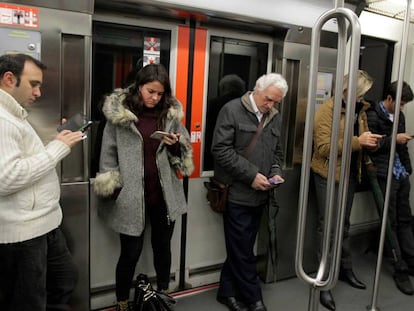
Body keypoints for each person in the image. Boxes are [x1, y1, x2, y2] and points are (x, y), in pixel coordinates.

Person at [93, 63, 194, 311]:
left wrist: (174, 145)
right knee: (130, 253)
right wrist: (114, 189)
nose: (155, 98)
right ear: (139, 86)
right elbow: (108, 154)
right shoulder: (120, 116)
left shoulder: (169, 116)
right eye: (150, 91)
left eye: (160, 93)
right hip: (130, 197)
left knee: (163, 248)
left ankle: (163, 293)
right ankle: (122, 302)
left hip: (163, 196)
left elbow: (184, 154)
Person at [0, 54, 84, 310]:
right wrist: (57, 149)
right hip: (23, 234)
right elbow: (6, 178)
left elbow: (26, 159)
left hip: (43, 225)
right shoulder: (2, 120)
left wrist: (54, 142)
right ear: (9, 79)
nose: (38, 92)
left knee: (64, 280)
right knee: (30, 300)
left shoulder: (15, 116)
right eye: (33, 84)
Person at [211, 73, 288, 311]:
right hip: (236, 192)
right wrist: (252, 175)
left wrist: (274, 172)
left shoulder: (273, 117)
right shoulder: (231, 110)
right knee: (243, 249)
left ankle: (227, 291)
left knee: (241, 245)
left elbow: (277, 152)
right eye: (268, 99)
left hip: (262, 194)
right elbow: (220, 150)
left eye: (275, 102)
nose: (270, 106)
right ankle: (254, 299)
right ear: (256, 90)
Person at [311, 69, 382, 311]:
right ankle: (323, 282)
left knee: (344, 226)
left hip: (351, 173)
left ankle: (344, 268)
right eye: (360, 94)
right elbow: (323, 148)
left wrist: (370, 143)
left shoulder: (359, 111)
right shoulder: (326, 111)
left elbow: (358, 140)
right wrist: (357, 142)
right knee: (328, 227)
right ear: (348, 91)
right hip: (328, 175)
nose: (363, 99)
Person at [366, 81, 414, 295]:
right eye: (400, 103)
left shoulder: (400, 117)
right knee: (390, 221)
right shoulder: (372, 115)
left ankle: (410, 258)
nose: (402, 108)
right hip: (384, 173)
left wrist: (408, 168)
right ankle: (399, 267)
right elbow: (372, 146)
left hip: (400, 172)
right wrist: (394, 138)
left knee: (405, 218)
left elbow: (401, 147)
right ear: (389, 98)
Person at [204, 74, 246, 171]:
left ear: (223, 88)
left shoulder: (215, 104)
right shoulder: (248, 106)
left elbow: (209, 129)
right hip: (240, 157)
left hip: (216, 151)